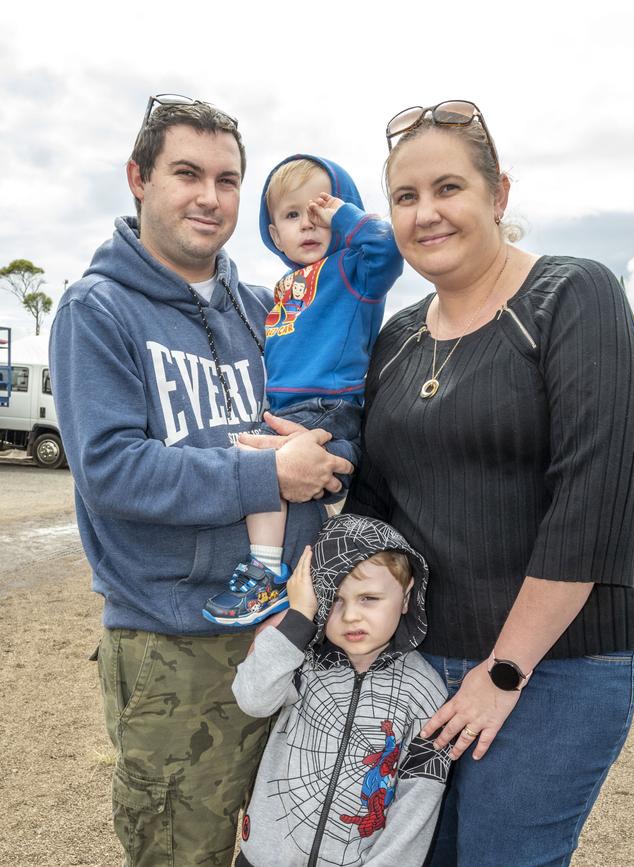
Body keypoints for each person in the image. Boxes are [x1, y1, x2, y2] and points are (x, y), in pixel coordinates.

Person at [343, 100, 634, 866]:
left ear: (498, 195)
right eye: (406, 198)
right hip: (424, 663)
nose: (426, 214)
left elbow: (594, 503)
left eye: (448, 188)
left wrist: (503, 672)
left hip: (562, 661)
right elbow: (376, 503)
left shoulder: (573, 296)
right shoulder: (397, 337)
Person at [49, 94, 353, 867]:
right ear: (138, 178)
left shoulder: (267, 310)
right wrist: (267, 474)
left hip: (287, 629)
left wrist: (333, 454)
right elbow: (114, 469)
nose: (210, 197)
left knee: (288, 847)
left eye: (227, 179)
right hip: (173, 645)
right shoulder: (99, 308)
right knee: (182, 849)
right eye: (187, 172)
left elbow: (328, 405)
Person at [203, 155, 402, 627]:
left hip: (329, 405)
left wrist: (345, 215)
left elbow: (389, 247)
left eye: (322, 213)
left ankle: (266, 569)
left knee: (260, 466)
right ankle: (277, 568)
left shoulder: (354, 272)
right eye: (293, 216)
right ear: (274, 234)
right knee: (246, 455)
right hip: (287, 406)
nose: (310, 225)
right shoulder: (286, 284)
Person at [231, 513, 450, 867]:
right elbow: (252, 699)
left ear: (407, 597)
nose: (351, 616)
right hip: (264, 859)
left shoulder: (425, 693)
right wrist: (298, 620)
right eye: (334, 599)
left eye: (369, 599)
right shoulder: (300, 662)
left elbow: (418, 802)